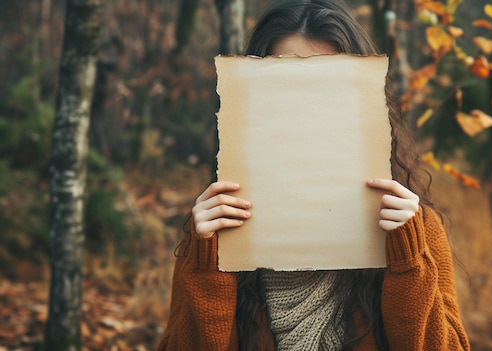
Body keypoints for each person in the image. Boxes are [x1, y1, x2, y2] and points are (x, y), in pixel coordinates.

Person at [158, 0, 470, 350]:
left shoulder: (414, 229)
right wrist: (206, 268)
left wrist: (408, 263)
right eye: (283, 86)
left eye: (325, 88)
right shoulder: (214, 232)